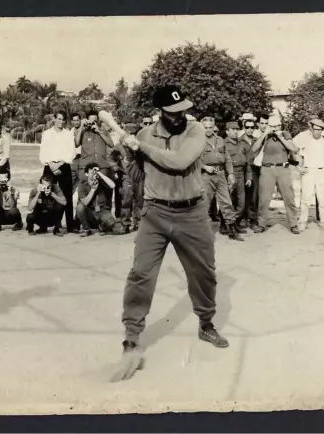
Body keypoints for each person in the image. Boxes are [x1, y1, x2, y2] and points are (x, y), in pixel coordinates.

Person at [112, 85, 229, 382]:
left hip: (192, 213)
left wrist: (143, 149)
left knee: (203, 273)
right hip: (155, 212)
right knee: (140, 273)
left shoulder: (195, 130)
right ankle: (132, 336)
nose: (180, 116)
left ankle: (206, 323)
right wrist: (128, 153)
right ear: (160, 112)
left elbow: (179, 162)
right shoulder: (143, 135)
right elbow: (138, 175)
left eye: (182, 110)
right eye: (172, 112)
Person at [250, 116, 301, 234]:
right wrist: (265, 134)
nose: (276, 128)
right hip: (267, 168)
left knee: (289, 197)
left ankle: (293, 224)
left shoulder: (285, 134)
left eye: (278, 126)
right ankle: (261, 223)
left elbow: (293, 149)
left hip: (282, 168)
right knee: (264, 199)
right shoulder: (263, 135)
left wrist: (280, 136)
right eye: (273, 126)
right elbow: (254, 149)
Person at [200, 117, 244, 241]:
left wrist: (230, 173)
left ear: (214, 127)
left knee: (226, 202)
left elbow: (228, 158)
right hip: (206, 176)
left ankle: (231, 229)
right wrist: (204, 167)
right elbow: (192, 160)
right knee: (205, 203)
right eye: (206, 127)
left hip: (221, 174)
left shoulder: (220, 140)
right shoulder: (197, 141)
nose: (208, 130)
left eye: (210, 127)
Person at [40, 110, 77, 233]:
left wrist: (60, 164)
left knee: (67, 195)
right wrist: (51, 165)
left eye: (63, 119)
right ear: (54, 119)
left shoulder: (68, 134)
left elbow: (71, 152)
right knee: (46, 194)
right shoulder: (46, 134)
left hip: (64, 165)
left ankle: (70, 226)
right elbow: (43, 152)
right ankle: (45, 225)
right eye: (59, 119)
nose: (61, 122)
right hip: (49, 166)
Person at [293, 117, 324, 231]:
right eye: (316, 129)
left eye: (320, 129)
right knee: (306, 199)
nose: (318, 132)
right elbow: (293, 149)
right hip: (308, 171)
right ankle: (302, 222)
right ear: (311, 128)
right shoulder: (303, 136)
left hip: (321, 171)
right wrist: (298, 166)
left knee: (322, 199)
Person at [75, 110, 116, 208]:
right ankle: (80, 216)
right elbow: (76, 143)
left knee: (105, 191)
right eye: (90, 121)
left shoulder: (103, 130)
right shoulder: (82, 130)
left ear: (98, 121)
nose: (92, 123)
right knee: (83, 190)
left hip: (101, 165)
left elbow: (111, 144)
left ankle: (105, 215)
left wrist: (99, 131)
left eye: (95, 121)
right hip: (85, 166)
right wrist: (81, 126)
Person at [76, 163, 126, 237]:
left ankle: (102, 228)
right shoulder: (82, 184)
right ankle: (87, 229)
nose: (95, 173)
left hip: (102, 211)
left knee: (113, 223)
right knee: (80, 207)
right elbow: (85, 202)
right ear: (86, 174)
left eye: (97, 171)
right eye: (92, 171)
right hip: (90, 213)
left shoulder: (102, 181)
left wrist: (100, 174)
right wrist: (93, 189)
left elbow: (113, 185)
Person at [224, 121, 253, 229]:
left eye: (237, 129)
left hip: (241, 174)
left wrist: (249, 177)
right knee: (228, 201)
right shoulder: (223, 144)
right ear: (227, 132)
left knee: (241, 203)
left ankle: (233, 222)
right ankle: (227, 225)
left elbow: (248, 162)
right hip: (229, 174)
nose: (236, 131)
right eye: (233, 129)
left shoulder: (242, 143)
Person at [118, 122, 145, 231]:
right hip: (127, 177)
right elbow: (110, 157)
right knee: (126, 200)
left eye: (134, 132)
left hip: (139, 175)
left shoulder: (140, 145)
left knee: (140, 200)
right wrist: (117, 169)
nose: (132, 134)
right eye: (129, 132)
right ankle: (126, 223)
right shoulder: (120, 146)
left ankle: (138, 222)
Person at [0, 167, 24, 232]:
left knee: (14, 210)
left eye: (5, 179)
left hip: (12, 216)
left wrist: (10, 191)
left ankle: (19, 224)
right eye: (1, 179)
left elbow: (13, 206)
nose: (3, 182)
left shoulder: (14, 190)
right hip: (1, 216)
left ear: (8, 180)